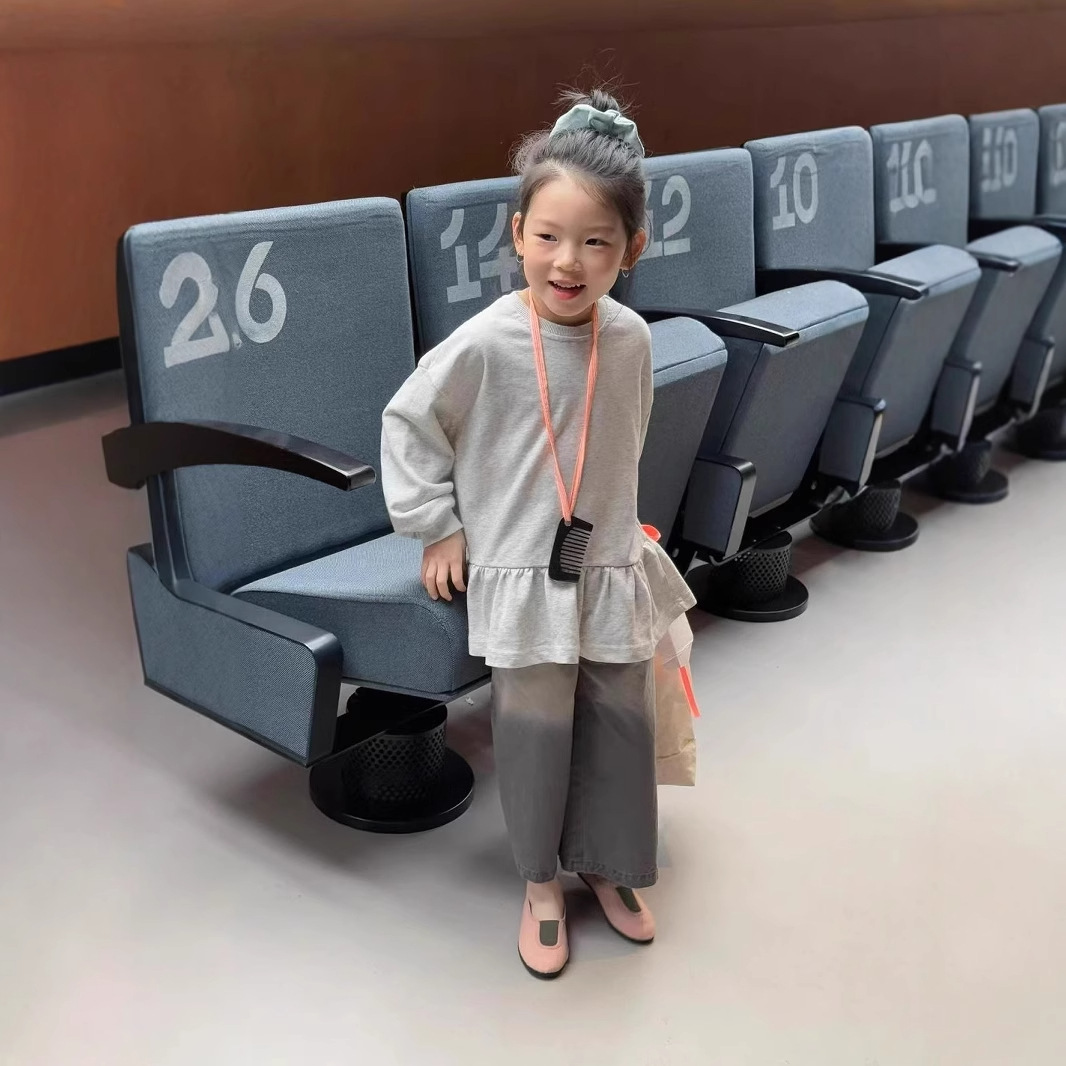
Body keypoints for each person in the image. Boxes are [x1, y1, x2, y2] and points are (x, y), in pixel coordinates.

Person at [381, 88, 695, 979]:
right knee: (535, 734)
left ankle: (608, 860)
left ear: (632, 250)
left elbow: (621, 444)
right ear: (518, 234)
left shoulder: (631, 340)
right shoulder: (484, 343)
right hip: (523, 577)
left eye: (597, 242)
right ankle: (540, 882)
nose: (568, 261)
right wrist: (437, 526)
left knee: (618, 725)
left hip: (607, 569)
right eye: (549, 236)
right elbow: (409, 423)